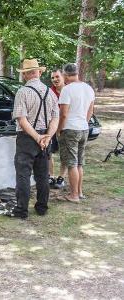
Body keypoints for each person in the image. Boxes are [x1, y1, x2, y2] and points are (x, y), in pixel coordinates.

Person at [7, 59, 59, 219]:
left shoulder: (23, 92)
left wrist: (38, 137)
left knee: (23, 174)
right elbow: (55, 119)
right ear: (39, 72)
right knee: (42, 175)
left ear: (25, 75)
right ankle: (42, 207)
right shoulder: (50, 92)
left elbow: (22, 120)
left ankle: (22, 210)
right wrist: (48, 137)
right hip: (45, 137)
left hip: (28, 137)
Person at [57, 63, 95, 203]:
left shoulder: (67, 90)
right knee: (79, 163)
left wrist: (59, 129)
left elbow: (63, 114)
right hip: (83, 128)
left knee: (72, 163)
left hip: (70, 128)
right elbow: (90, 111)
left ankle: (73, 195)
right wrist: (83, 122)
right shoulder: (88, 88)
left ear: (65, 75)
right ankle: (79, 192)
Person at [48, 69, 67, 189]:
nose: (55, 79)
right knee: (49, 152)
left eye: (57, 77)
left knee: (64, 154)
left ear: (63, 77)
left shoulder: (69, 90)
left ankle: (61, 177)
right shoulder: (49, 92)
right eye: (52, 78)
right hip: (53, 126)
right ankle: (50, 176)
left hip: (66, 126)